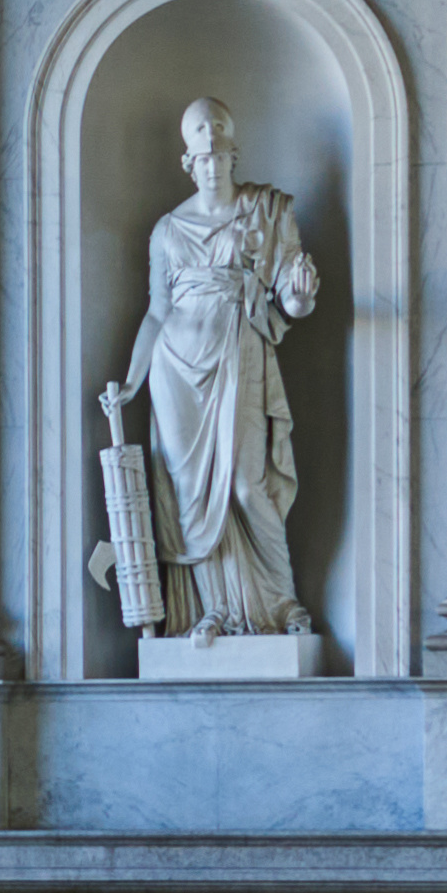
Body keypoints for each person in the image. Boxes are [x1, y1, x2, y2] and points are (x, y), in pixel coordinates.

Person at [121, 95, 322, 638]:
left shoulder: (266, 210)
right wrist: (133, 381)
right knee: (189, 498)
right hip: (174, 373)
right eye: (202, 157)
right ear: (189, 162)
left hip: (239, 354)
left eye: (220, 154)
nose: (212, 165)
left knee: (247, 486)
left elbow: (291, 299)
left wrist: (302, 297)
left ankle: (285, 605)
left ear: (233, 154)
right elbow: (157, 312)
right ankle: (212, 609)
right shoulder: (167, 231)